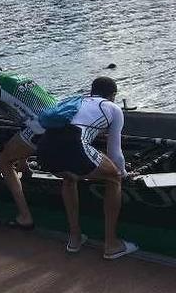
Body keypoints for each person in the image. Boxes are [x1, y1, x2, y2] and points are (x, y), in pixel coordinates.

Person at [36, 77, 137, 260]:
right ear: (113, 95)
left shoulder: (75, 100)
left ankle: (75, 238)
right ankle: (111, 244)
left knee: (70, 177)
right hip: (73, 145)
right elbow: (115, 153)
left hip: (44, 151)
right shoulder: (113, 108)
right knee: (113, 177)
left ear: (92, 91)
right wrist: (122, 172)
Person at [0, 60, 57, 229]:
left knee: (4, 161)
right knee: (21, 136)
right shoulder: (20, 77)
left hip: (41, 127)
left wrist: (0, 150)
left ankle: (25, 216)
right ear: (0, 69)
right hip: (58, 119)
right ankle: (25, 169)